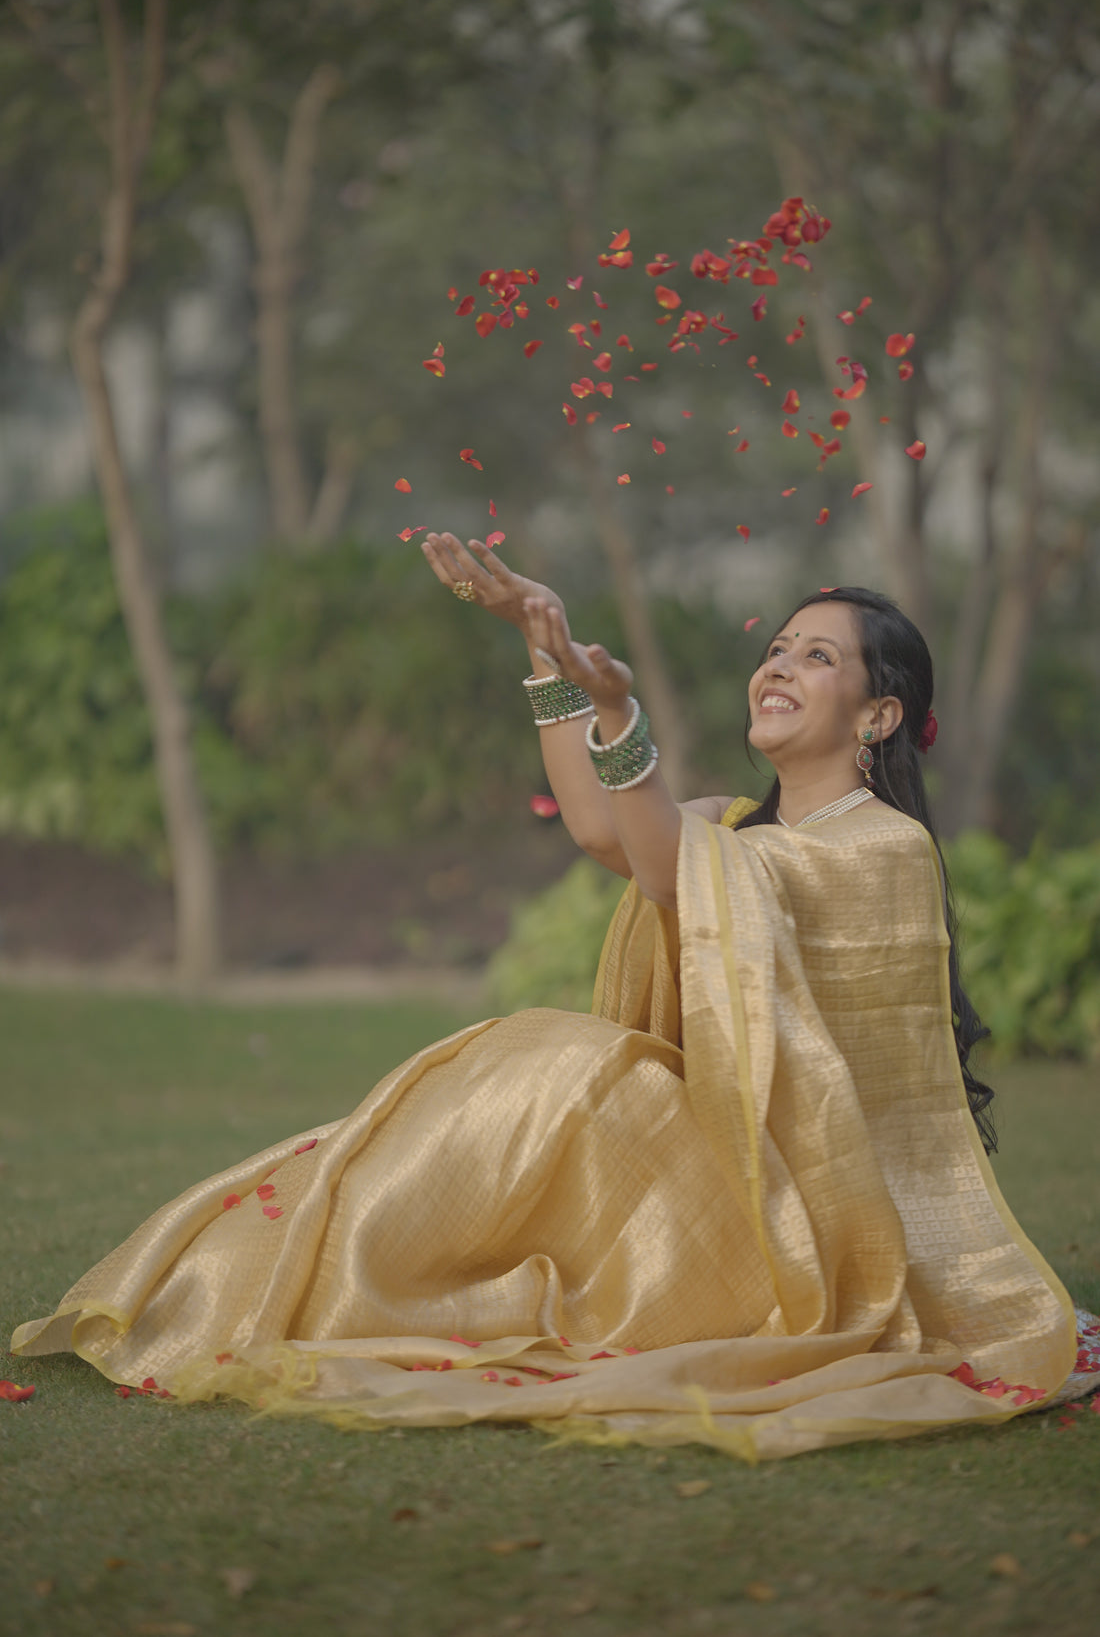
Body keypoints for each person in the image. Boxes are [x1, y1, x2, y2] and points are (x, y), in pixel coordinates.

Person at [11, 535, 1096, 1462]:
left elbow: (667, 870)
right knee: (536, 1061)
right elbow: (602, 831)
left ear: (876, 717)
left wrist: (621, 712)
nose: (777, 668)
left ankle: (319, 1283)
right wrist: (549, 663)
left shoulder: (880, 848)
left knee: (564, 1062)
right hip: (710, 1156)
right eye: (774, 649)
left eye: (817, 657)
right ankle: (280, 1277)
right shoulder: (732, 827)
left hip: (798, 1216)